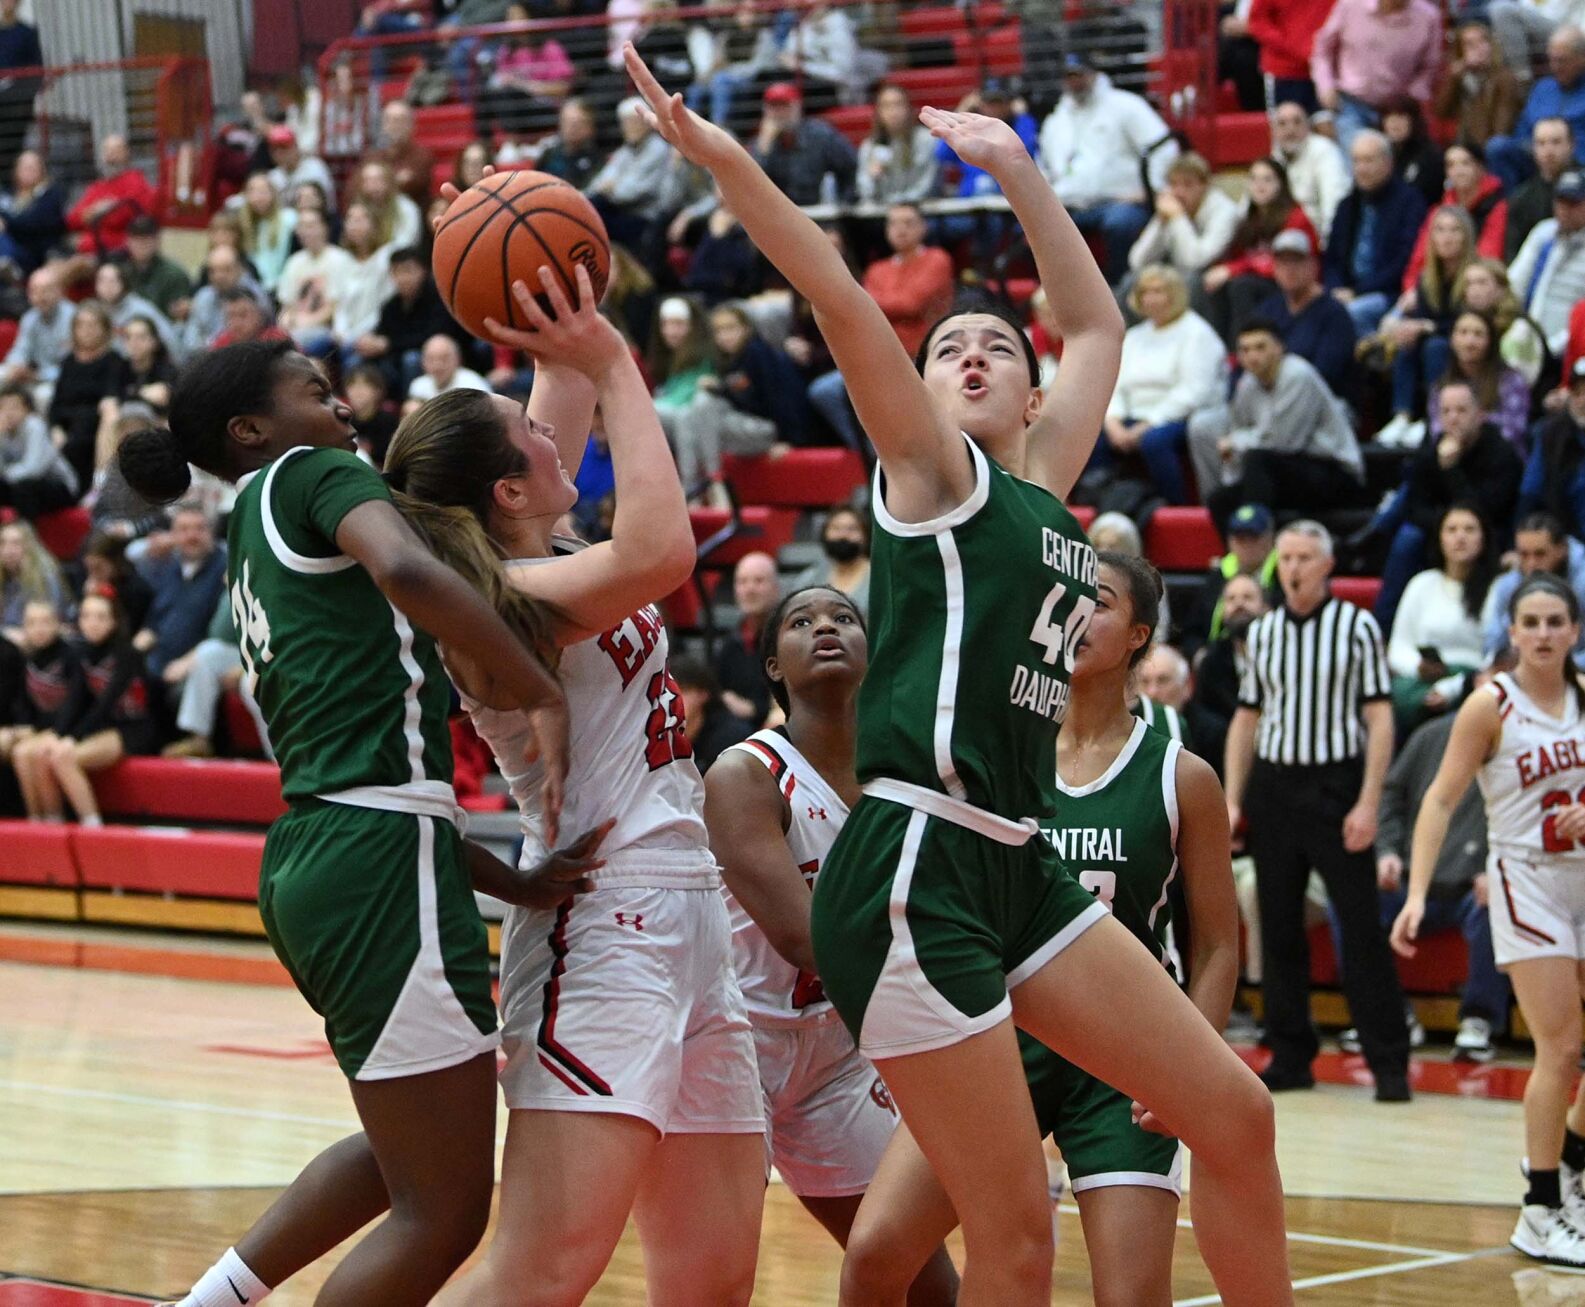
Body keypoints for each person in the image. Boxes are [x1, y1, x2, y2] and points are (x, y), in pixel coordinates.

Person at [626, 45, 1292, 1306]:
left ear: (1036, 389)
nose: (972, 356)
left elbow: (1094, 319)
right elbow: (835, 293)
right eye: (949, 350)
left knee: (1235, 1113)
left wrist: (1022, 175)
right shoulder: (933, 477)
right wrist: (724, 164)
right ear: (921, 392)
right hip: (914, 862)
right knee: (1015, 1236)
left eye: (996, 345)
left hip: (1013, 856)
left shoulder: (1044, 486)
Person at [119, 338, 574, 1307]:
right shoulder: (312, 472)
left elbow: (367, 771)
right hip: (370, 857)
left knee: (406, 1148)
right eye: (317, 393)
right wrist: (539, 686)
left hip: (325, 847)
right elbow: (407, 567)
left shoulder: (249, 521)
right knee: (444, 1207)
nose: (344, 407)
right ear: (253, 429)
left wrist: (516, 883)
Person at [371, 266, 766, 1307]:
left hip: (694, 919)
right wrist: (617, 360)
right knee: (537, 1274)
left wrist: (552, 292)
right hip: (605, 930)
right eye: (532, 436)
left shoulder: (538, 554)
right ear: (505, 488)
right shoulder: (507, 599)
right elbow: (663, 547)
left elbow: (558, 398)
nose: (558, 439)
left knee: (713, 1274)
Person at [839, 553, 1241, 1306]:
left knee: (1127, 1296)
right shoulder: (992, 760)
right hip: (998, 1040)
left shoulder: (1180, 774)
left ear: (1137, 635)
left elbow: (1218, 941)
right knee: (873, 1255)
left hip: (1121, 1060)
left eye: (1101, 603)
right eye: (1069, 600)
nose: (1077, 613)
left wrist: (1194, 1068)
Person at [705, 585, 960, 1301]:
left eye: (844, 618)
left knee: (918, 1277)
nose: (825, 626)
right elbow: (805, 937)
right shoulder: (744, 772)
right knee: (717, 1276)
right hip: (734, 1049)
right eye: (801, 620)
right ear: (773, 667)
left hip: (836, 1054)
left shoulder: (903, 779)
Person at [1392, 573, 1585, 1268]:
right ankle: (1538, 1210)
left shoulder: (1584, 694)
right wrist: (1416, 893)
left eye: (1553, 620)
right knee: (1560, 1047)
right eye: (1528, 620)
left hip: (1582, 877)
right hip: (1523, 879)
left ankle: (1568, 1169)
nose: (1540, 632)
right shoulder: (1490, 704)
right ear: (1510, 629)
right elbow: (1439, 801)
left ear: (1572, 628)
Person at [1225, 520, 1412, 1098]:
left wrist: (1368, 802)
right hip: (1276, 790)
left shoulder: (1356, 627)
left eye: (1306, 556)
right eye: (1286, 557)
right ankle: (1289, 1056)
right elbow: (1247, 718)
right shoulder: (1264, 633)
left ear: (1328, 565)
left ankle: (1387, 1062)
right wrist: (1233, 799)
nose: (1294, 567)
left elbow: (1380, 717)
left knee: (1359, 929)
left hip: (1336, 788)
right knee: (1277, 928)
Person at [1366, 697, 1508, 1063]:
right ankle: (1389, 1014)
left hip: (1475, 887)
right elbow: (1393, 796)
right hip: (1418, 880)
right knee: (1353, 900)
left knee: (1498, 901)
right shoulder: (1429, 737)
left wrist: (1495, 864)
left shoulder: (1521, 740)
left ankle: (1479, 1020)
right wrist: (1387, 851)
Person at [1370, 380, 1524, 633]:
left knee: (1461, 532)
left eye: (1461, 411)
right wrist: (1447, 525)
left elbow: (1488, 511)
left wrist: (1452, 470)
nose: (1453, 419)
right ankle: (1382, 629)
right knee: (1407, 539)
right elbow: (1415, 508)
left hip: (1491, 535)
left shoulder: (1502, 454)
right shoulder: (1430, 452)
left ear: (1480, 414)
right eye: (1446, 412)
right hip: (1438, 531)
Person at [1196, 320, 1369, 531]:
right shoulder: (1248, 383)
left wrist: (1235, 442)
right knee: (1220, 500)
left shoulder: (1297, 375)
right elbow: (1239, 429)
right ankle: (1242, 560)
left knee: (1258, 460)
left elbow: (1282, 442)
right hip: (1288, 472)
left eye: (1260, 347)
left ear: (1279, 348)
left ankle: (1258, 544)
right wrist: (1237, 442)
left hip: (1334, 472)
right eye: (1245, 350)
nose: (1252, 356)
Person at [11, 588, 156, 823]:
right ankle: (48, 823)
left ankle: (92, 826)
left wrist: (71, 736)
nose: (92, 623)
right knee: (41, 753)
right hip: (102, 727)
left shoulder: (127, 653)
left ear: (113, 621)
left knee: (62, 757)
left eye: (100, 617)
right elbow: (76, 700)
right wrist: (60, 734)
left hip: (133, 728)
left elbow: (106, 703)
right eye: (86, 616)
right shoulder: (81, 652)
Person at [1040, 52, 1178, 285]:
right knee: (1040, 227)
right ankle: (1065, 292)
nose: (1075, 82)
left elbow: (1163, 147)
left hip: (1121, 201)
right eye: (1068, 77)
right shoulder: (1056, 120)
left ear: (1094, 74)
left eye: (1079, 75)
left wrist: (1152, 189)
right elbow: (1045, 164)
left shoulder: (1125, 105)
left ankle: (1120, 286)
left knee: (1120, 223)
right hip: (1072, 203)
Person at [1099, 264, 1226, 505]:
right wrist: (1113, 421)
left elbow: (1194, 391)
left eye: (1159, 291)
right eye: (1145, 292)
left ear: (1175, 294)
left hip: (1179, 416)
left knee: (1154, 442)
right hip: (1133, 414)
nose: (1151, 298)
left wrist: (1148, 424)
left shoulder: (1196, 333)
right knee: (1094, 438)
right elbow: (1115, 383)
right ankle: (1104, 505)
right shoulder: (1135, 337)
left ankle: (1175, 506)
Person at [657, 302, 807, 505]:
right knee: (686, 414)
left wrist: (789, 439)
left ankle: (714, 480)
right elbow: (735, 396)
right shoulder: (725, 360)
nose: (725, 336)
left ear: (745, 328)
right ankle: (691, 486)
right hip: (737, 427)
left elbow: (781, 395)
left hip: (766, 430)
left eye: (730, 328)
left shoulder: (757, 353)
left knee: (703, 404)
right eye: (719, 331)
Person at [1371, 206, 1479, 448]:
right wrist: (1412, 327)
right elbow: (1422, 318)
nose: (1447, 237)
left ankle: (1433, 418)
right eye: (1440, 230)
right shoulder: (1426, 278)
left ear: (1466, 236)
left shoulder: (1474, 275)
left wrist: (1426, 327)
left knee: (1435, 347)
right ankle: (1402, 416)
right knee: (1407, 340)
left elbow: (1469, 321)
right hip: (1432, 339)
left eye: (1454, 231)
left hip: (1466, 341)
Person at [1387, 504, 1499, 732]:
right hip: (1422, 682)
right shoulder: (1422, 583)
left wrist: (1452, 688)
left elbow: (1496, 657)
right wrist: (1418, 667)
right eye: (1452, 529)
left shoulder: (1498, 588)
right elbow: (1399, 646)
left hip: (1472, 683)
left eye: (1469, 529)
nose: (1460, 537)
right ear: (1439, 538)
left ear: (1484, 537)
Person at [1199, 156, 1319, 343]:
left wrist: (1232, 270)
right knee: (1215, 284)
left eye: (1267, 179)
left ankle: (1242, 349)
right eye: (1254, 179)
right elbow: (1238, 255)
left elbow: (1281, 263)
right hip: (1258, 279)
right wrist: (1225, 269)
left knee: (1241, 286)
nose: (1259, 185)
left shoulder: (1296, 218)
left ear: (1282, 184)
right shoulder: (1250, 218)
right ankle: (1218, 347)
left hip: (1289, 283)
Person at [1322, 129, 1429, 336]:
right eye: (1356, 161)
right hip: (1345, 292)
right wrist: (1334, 289)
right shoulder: (1347, 205)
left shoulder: (1409, 202)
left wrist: (1356, 292)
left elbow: (1403, 261)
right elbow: (1331, 258)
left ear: (1388, 162)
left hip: (1388, 293)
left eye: (1368, 161)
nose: (1361, 169)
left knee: (1350, 314)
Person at [1309, 0, 1444, 151]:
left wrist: (1413, 97)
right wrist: (1325, 86)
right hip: (1351, 104)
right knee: (1362, 158)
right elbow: (1322, 50)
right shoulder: (1350, 5)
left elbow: (1431, 66)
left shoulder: (1429, 16)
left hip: (1398, 111)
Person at [1252, 229, 1357, 394]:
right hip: (1273, 399)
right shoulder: (1267, 310)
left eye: (1296, 261)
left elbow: (1325, 376)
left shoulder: (1334, 313)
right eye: (1282, 263)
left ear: (1313, 265)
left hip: (1323, 404)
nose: (1289, 270)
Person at [1486, 26, 1585, 189]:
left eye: (1562, 60)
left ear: (1581, 59)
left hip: (1576, 162)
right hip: (1536, 158)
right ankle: (1513, 208)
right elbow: (1521, 132)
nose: (1555, 66)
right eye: (1552, 60)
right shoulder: (1542, 88)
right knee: (1497, 147)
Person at [1401, 143, 1510, 292]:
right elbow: (1420, 258)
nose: (1458, 171)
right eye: (1451, 165)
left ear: (1480, 167)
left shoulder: (1497, 207)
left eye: (1465, 163)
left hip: (1474, 290)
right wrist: (1412, 289)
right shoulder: (1438, 211)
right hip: (1433, 291)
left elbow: (1489, 256)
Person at [1125, 152, 1241, 290]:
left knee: (1189, 282)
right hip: (1177, 270)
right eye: (1173, 184)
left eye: (1187, 184)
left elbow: (1196, 262)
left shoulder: (1224, 211)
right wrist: (1160, 221)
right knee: (1130, 281)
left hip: (1211, 277)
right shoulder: (1170, 207)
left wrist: (1178, 218)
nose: (1179, 192)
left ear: (1204, 185)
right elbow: (1137, 261)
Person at [48, 302, 129, 488]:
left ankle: (95, 486)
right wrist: (55, 428)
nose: (86, 330)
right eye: (81, 325)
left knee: (77, 446)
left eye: (93, 325)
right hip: (66, 425)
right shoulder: (68, 361)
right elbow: (56, 403)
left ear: (104, 329)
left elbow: (112, 396)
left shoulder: (113, 360)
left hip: (93, 426)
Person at [1509, 167, 1585, 359]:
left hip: (1572, 350)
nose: (1565, 210)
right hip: (1527, 341)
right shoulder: (1544, 233)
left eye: (1574, 203)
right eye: (1561, 201)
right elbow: (1514, 285)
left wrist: (1554, 348)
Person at [1485, 512, 1585, 656]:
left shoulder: (1582, 582)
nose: (1531, 564)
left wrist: (1563, 669)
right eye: (1524, 555)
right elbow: (1491, 646)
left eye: (1540, 554)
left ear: (1562, 550)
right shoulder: (1507, 586)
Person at [863, 203, 955, 356]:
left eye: (908, 223)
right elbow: (865, 312)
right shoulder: (876, 269)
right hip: (881, 355)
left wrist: (877, 304)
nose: (901, 229)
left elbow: (911, 304)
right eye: (894, 224)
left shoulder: (937, 259)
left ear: (923, 227)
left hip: (924, 354)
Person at [752, 82, 858, 206]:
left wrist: (843, 202)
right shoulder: (762, 143)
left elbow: (850, 164)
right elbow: (752, 186)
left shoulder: (820, 135)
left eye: (785, 106)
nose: (779, 113)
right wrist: (764, 147)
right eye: (774, 107)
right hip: (779, 215)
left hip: (821, 213)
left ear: (798, 107)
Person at [1434, 18, 1526, 150]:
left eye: (1483, 41)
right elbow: (1441, 111)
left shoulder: (1505, 78)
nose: (1478, 48)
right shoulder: (1460, 78)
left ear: (1491, 45)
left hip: (1489, 150)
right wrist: (1453, 78)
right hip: (1464, 146)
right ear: (1461, 51)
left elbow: (1502, 129)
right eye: (1470, 44)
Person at [65, 134, 158, 263]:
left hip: (117, 255)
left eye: (116, 151)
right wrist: (96, 211)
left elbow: (121, 218)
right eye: (107, 151)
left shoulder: (136, 182)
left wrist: (92, 215)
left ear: (127, 154)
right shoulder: (97, 187)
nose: (111, 156)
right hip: (85, 252)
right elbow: (72, 220)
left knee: (52, 276)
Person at [275, 207, 355, 357]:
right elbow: (287, 306)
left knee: (294, 348)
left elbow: (335, 307)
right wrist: (285, 322)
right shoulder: (294, 262)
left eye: (311, 226)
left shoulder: (339, 259)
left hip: (326, 330)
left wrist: (304, 323)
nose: (305, 231)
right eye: (301, 226)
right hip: (297, 326)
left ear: (325, 228)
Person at [1520, 358, 1585, 537]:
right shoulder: (1551, 434)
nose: (1582, 401)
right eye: (1577, 393)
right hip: (1566, 540)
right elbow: (1531, 492)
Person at [1269, 100, 1350, 242]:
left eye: (1297, 122)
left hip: (1313, 242)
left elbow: (1334, 205)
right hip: (1278, 243)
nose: (1290, 130)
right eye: (1282, 124)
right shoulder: (1274, 158)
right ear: (1273, 131)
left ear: (1308, 127)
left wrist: (1329, 248)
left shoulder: (1325, 151)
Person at [715, 550, 780, 724]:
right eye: (742, 582)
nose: (749, 589)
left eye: (759, 581)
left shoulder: (787, 639)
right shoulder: (731, 643)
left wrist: (753, 709)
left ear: (776, 588)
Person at [0, 380, 76, 519]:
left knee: (25, 488)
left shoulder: (35, 426)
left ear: (27, 410)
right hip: (19, 483)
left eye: (14, 407)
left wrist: (5, 475)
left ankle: (26, 536)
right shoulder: (2, 431)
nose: (9, 413)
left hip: (59, 486)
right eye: (3, 408)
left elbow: (33, 470)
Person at [857, 84, 940, 206]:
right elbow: (864, 190)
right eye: (886, 106)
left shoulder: (927, 140)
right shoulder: (869, 146)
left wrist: (899, 204)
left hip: (920, 211)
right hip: (881, 215)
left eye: (898, 104)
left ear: (908, 108)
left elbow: (928, 186)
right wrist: (873, 178)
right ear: (878, 113)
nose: (893, 112)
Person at [1507, 118, 1577, 260]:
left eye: (1556, 142)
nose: (1549, 151)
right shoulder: (1522, 198)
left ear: (1572, 145)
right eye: (1541, 143)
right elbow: (1513, 254)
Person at [670, 654, 755, 771]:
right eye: (667, 694)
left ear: (703, 694)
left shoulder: (731, 739)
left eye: (681, 691)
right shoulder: (656, 738)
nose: (671, 701)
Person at [1246, 0, 1332, 112]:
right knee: (1286, 126)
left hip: (1329, 73)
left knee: (1331, 127)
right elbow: (1258, 22)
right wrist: (1294, 47)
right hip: (1284, 72)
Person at [0, 266, 69, 406]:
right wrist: (15, 366)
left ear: (59, 291)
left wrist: (37, 375)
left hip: (62, 379)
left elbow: (70, 365)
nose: (40, 297)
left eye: (45, 291)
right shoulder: (29, 318)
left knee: (43, 395)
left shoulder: (72, 318)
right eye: (34, 291)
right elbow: (20, 349)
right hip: (33, 374)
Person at [791, 503, 871, 619]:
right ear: (824, 534)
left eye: (852, 529)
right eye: (836, 528)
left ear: (865, 536)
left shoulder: (880, 578)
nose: (843, 535)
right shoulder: (808, 579)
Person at [0, 149, 65, 276]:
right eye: (24, 167)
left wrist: (6, 221)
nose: (28, 171)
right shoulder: (8, 194)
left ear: (42, 170)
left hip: (33, 252)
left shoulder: (49, 194)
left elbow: (33, 222)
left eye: (32, 167)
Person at [118, 215, 192, 324]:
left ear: (158, 241)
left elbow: (179, 318)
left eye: (146, 239)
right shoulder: (120, 272)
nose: (141, 245)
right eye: (136, 239)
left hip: (164, 332)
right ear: (127, 242)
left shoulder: (174, 274)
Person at [363, 100, 434, 211]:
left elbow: (415, 184)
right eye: (389, 120)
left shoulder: (422, 155)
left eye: (400, 120)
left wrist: (378, 183)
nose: (394, 125)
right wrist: (395, 179)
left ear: (412, 125)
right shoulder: (372, 157)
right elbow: (355, 187)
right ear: (383, 126)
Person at [1381, 95, 1446, 210]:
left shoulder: (1430, 156)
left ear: (1413, 121)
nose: (1394, 123)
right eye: (1389, 117)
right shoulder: (1382, 153)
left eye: (1401, 117)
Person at [0, 518, 62, 637]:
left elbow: (47, 623)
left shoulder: (45, 576)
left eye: (16, 543)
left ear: (29, 546)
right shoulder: (5, 576)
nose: (8, 550)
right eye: (2, 543)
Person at [403, 335, 492, 415]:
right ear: (423, 362)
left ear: (458, 359)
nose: (437, 365)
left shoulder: (472, 384)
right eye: (431, 359)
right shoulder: (418, 385)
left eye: (444, 358)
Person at [526, 97, 605, 187]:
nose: (572, 128)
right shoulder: (549, 154)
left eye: (578, 123)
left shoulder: (596, 160)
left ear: (591, 127)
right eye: (567, 121)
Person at [265, 124, 336, 214]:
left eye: (284, 148)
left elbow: (327, 206)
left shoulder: (314, 168)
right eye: (275, 149)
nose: (279, 154)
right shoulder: (273, 176)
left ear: (296, 147)